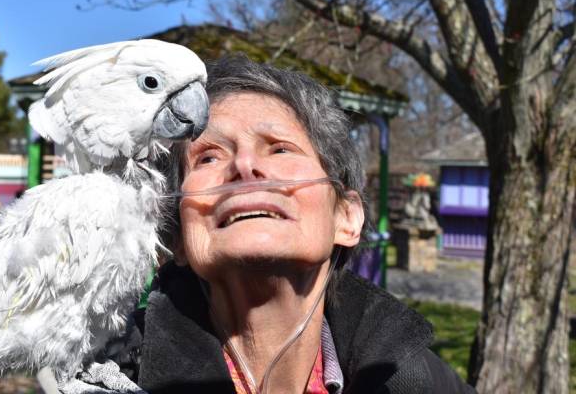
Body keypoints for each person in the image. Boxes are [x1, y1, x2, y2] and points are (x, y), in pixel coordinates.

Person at [129, 55, 475, 394]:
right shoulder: (111, 371)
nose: (245, 165)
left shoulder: (413, 379)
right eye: (209, 156)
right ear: (178, 240)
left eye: (279, 149)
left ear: (346, 217)